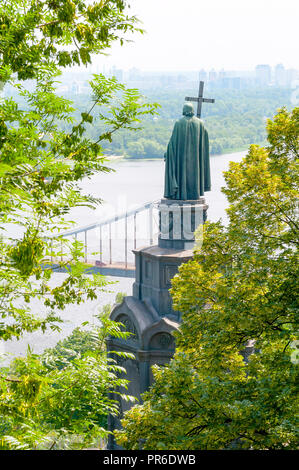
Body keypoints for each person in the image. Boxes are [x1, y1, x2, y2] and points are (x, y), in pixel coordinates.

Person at [164, 103, 211, 200]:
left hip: (181, 159)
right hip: (196, 160)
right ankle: (194, 193)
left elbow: (172, 142)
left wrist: (167, 153)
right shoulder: (200, 123)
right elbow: (204, 141)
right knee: (195, 173)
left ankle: (182, 194)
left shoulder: (178, 123)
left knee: (182, 172)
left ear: (184, 110)